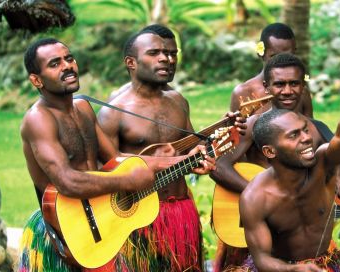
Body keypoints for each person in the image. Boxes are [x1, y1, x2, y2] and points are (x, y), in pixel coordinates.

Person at [16, 38, 214, 272]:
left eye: (69, 58)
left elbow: (118, 159)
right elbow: (68, 181)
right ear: (36, 79)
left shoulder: (83, 108)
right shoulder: (38, 120)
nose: (67, 66)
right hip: (67, 231)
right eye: (55, 63)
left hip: (102, 221)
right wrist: (128, 181)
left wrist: (182, 161)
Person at [97, 26, 242, 272]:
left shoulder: (178, 102)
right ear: (131, 62)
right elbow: (105, 169)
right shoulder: (113, 111)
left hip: (181, 209)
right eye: (155, 53)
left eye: (172, 53)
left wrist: (220, 137)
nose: (167, 59)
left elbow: (194, 147)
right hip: (137, 218)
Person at [238, 69, 340, 272]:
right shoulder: (254, 198)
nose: (307, 138)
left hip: (326, 263)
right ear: (270, 151)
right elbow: (262, 259)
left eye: (305, 129)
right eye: (294, 135)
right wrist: (293, 270)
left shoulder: (323, 164)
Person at [229, 22, 312, 117]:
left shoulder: (301, 92)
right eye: (274, 56)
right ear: (260, 53)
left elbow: (311, 128)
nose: (281, 61)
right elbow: (235, 129)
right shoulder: (243, 93)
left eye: (288, 56)